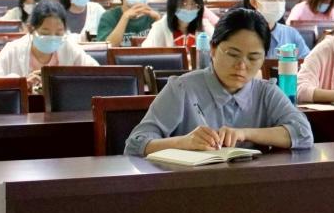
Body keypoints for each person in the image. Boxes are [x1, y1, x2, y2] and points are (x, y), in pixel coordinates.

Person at [124, 8, 314, 156]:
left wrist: (244, 134)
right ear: (213, 49)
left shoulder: (266, 92)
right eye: (233, 54)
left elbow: (303, 134)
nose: (242, 66)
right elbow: (135, 144)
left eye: (253, 58)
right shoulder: (182, 89)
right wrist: (183, 143)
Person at [0, 0, 99, 86]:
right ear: (31, 29)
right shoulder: (14, 49)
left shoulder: (68, 47)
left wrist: (69, 81)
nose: (53, 38)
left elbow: (98, 74)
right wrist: (19, 83)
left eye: (58, 33)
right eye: (45, 33)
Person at [243, 0, 309, 58]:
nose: (277, 4)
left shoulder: (291, 34)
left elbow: (308, 62)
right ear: (254, 2)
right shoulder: (242, 34)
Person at [142, 0, 215, 48]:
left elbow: (217, 47)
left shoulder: (204, 26)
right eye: (184, 3)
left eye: (193, 4)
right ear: (173, 4)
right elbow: (145, 53)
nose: (189, 8)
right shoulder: (160, 27)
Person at [97, 0, 161, 47]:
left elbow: (166, 45)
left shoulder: (153, 16)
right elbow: (107, 47)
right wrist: (125, 17)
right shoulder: (108, 17)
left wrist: (158, 19)